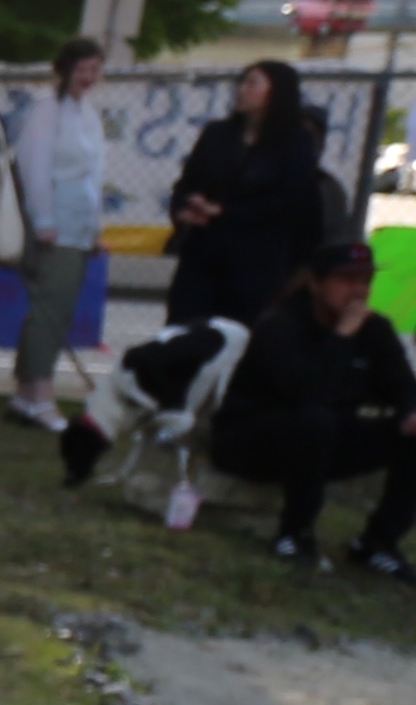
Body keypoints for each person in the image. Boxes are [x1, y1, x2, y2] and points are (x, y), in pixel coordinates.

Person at [204, 238, 416, 569]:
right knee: (314, 419)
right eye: (347, 281)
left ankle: (378, 544)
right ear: (316, 284)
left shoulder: (374, 329)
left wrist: (409, 412)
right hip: (253, 442)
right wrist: (341, 337)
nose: (358, 291)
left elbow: (402, 385)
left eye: (365, 281)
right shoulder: (282, 326)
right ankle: (295, 533)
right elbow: (304, 390)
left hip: (324, 442)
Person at [0, 32, 118, 410]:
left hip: (80, 226)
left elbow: (94, 176)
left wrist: (95, 227)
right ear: (65, 70)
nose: (88, 76)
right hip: (55, 228)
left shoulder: (89, 115)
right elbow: (36, 169)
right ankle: (37, 391)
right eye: (82, 68)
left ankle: (27, 393)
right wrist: (44, 219)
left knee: (61, 309)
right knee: (49, 310)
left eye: (95, 69)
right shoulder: (47, 110)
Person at [163, 55, 324, 332]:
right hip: (203, 251)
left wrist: (225, 211)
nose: (243, 90)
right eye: (243, 83)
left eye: (253, 84)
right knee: (184, 329)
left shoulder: (295, 142)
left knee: (236, 332)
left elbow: (289, 200)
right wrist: (185, 208)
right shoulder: (218, 134)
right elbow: (188, 181)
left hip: (254, 258)